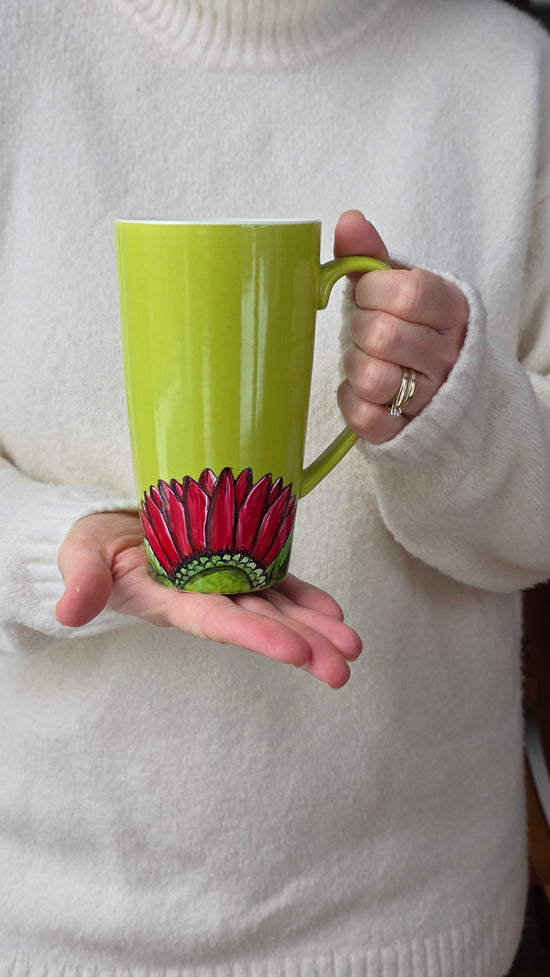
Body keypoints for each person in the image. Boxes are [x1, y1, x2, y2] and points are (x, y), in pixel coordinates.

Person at [1, 1, 549, 975]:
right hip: (45, 924)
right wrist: (50, 546)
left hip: (413, 927)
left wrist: (460, 418)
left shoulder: (510, 78)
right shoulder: (19, 46)